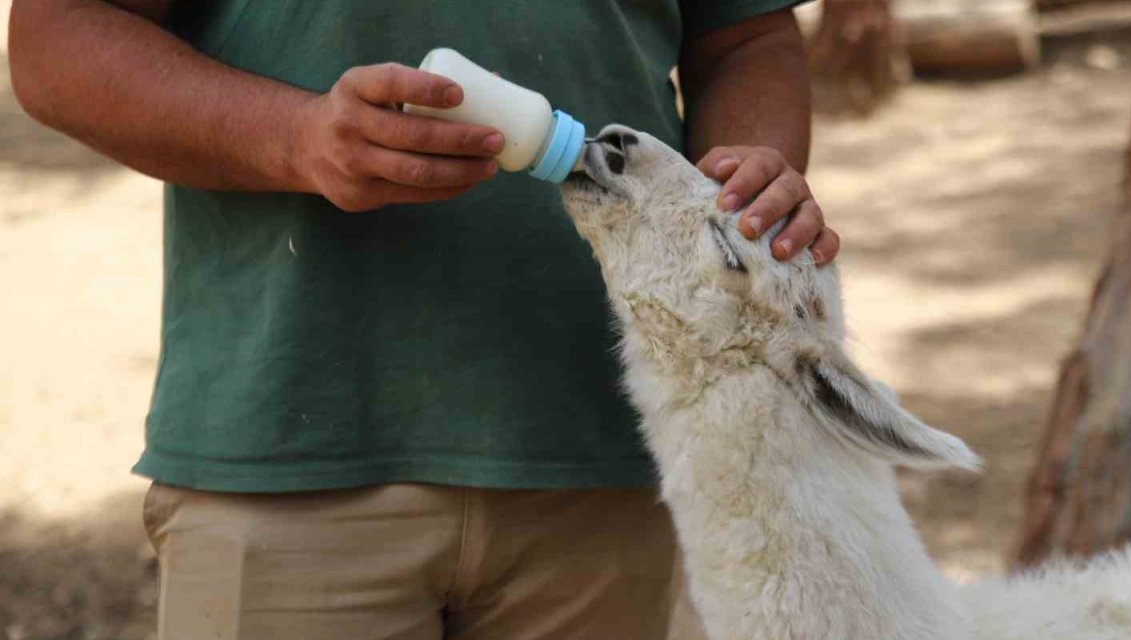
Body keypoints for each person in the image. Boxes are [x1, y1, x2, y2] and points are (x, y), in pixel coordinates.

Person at [10, 1, 840, 638]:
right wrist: (295, 139)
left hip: (615, 461)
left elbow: (745, 39)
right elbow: (59, 40)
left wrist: (740, 187)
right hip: (288, 461)